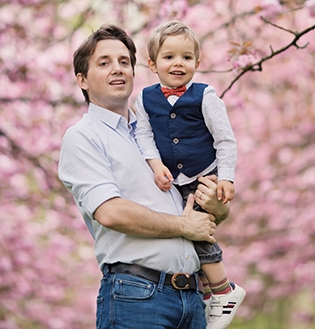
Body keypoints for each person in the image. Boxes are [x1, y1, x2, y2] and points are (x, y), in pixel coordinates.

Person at [58, 24, 230, 329]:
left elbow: (196, 210)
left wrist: (217, 208)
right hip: (137, 296)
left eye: (124, 62)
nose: (118, 69)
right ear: (82, 79)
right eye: (104, 62)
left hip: (191, 298)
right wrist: (184, 225)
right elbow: (110, 212)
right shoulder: (84, 137)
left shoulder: (156, 134)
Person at [134, 21, 246, 329]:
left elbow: (225, 139)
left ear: (198, 62)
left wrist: (226, 177)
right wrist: (156, 166)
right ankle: (210, 291)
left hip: (203, 175)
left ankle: (224, 288)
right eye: (169, 57)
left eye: (185, 57)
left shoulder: (205, 95)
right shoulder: (144, 98)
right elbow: (143, 136)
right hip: (172, 180)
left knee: (196, 225)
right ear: (152, 64)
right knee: (181, 231)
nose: (177, 63)